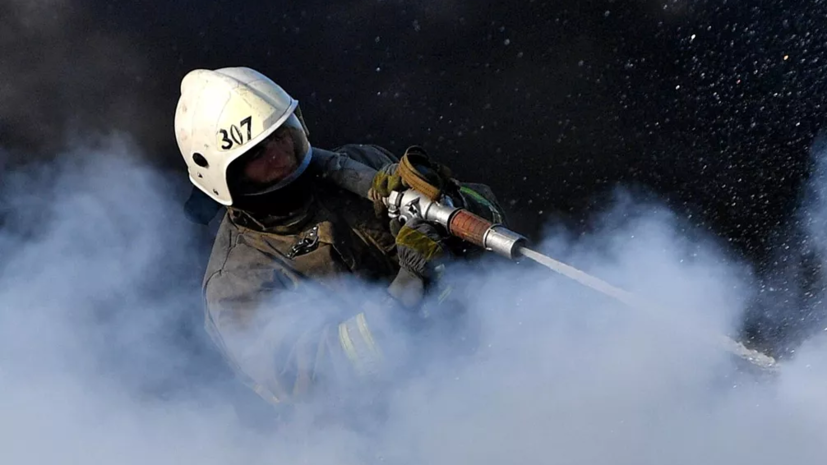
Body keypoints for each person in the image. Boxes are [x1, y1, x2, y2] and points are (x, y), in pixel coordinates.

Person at [174, 66, 508, 410]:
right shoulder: (235, 284)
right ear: (223, 176)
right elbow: (322, 378)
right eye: (258, 153)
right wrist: (407, 287)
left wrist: (450, 201)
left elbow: (490, 225)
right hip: (380, 434)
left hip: (469, 368)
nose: (281, 152)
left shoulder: (364, 165)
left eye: (280, 134)